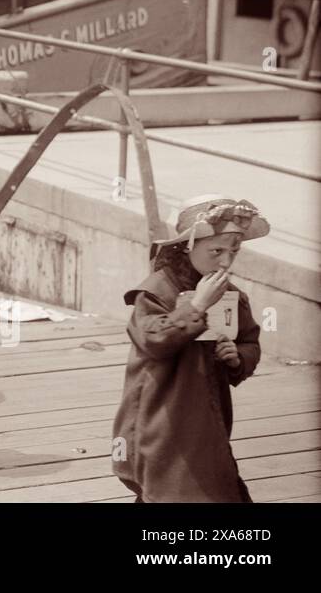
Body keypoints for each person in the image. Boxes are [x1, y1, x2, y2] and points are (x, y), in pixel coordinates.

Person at [112, 196, 267, 503]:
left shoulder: (231, 295)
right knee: (171, 485)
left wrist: (237, 358)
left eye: (233, 251)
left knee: (206, 484)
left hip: (208, 418)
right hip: (160, 416)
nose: (225, 261)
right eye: (216, 251)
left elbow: (249, 341)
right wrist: (196, 305)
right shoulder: (156, 291)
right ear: (187, 246)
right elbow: (153, 340)